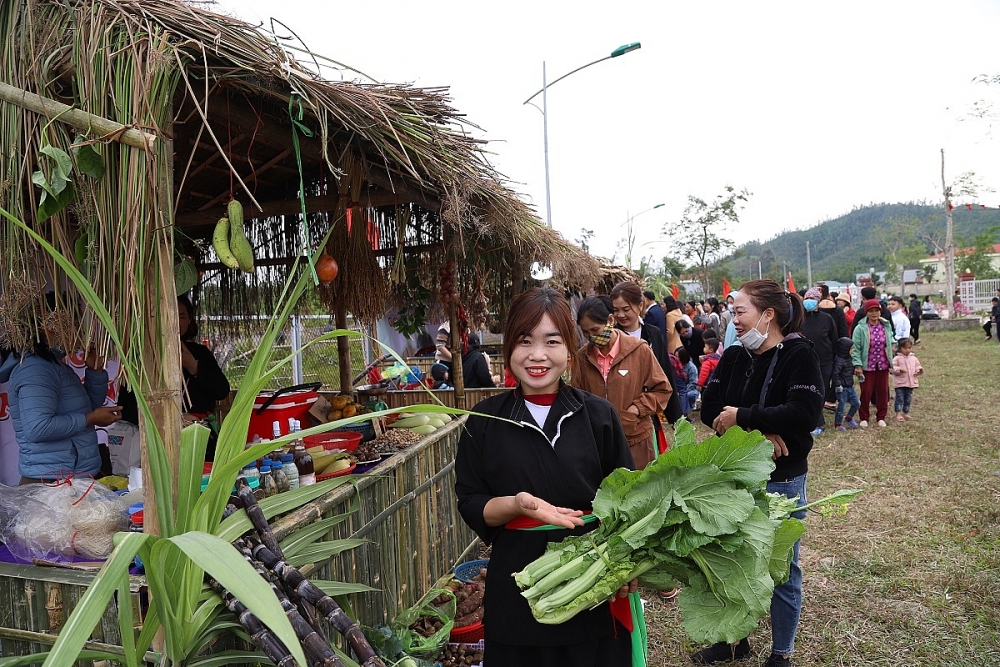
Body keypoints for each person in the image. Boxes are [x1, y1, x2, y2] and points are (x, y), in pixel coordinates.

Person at [454, 286, 636, 667]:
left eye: (551, 341)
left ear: (570, 350)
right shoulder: (484, 421)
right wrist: (519, 504)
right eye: (524, 341)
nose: (537, 355)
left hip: (591, 580)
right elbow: (471, 502)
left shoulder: (598, 415)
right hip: (517, 585)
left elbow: (627, 501)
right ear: (508, 350)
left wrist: (627, 563)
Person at [696, 279, 824, 667]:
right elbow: (709, 408)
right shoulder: (734, 356)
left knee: (781, 564)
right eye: (732, 312)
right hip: (735, 472)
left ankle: (781, 651)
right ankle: (734, 640)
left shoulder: (798, 355)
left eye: (740, 312)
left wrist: (743, 416)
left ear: (768, 315)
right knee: (734, 559)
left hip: (782, 476)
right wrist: (759, 429)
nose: (733, 320)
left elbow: (806, 413)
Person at [3, 316, 122, 483]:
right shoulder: (36, 369)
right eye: (71, 323)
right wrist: (91, 419)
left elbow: (87, 408)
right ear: (47, 328)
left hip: (68, 477)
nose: (78, 331)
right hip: (52, 483)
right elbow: (38, 428)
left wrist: (95, 371)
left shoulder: (53, 365)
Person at [120, 295, 231, 459]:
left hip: (200, 441)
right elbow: (127, 409)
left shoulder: (200, 353)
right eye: (167, 316)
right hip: (157, 443)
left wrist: (192, 365)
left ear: (189, 320)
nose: (174, 322)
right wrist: (171, 419)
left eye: (181, 316)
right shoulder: (142, 358)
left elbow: (221, 391)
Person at [574, 295, 672, 470]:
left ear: (610, 320)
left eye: (595, 330)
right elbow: (576, 398)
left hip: (636, 440)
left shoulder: (639, 350)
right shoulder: (582, 358)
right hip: (600, 444)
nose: (592, 337)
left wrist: (636, 410)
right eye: (586, 333)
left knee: (640, 492)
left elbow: (662, 389)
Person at [610, 282, 683, 432]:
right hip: (621, 413)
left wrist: (676, 418)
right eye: (616, 310)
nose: (621, 315)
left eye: (626, 309)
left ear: (640, 305)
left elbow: (665, 373)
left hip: (648, 410)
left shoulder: (653, 334)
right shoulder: (612, 337)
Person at [851, 298, 896, 428]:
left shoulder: (885, 326)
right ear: (867, 313)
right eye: (871, 311)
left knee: (883, 391)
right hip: (867, 365)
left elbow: (892, 339)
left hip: (882, 364)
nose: (874, 314)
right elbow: (856, 348)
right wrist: (857, 365)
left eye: (877, 311)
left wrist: (893, 346)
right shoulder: (860, 328)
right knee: (866, 391)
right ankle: (864, 417)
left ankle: (881, 417)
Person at [799, 286, 838, 433]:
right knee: (808, 391)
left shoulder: (827, 319)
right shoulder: (800, 318)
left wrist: (835, 359)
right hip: (804, 360)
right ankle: (817, 421)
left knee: (822, 390)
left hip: (825, 361)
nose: (808, 301)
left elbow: (834, 340)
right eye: (806, 298)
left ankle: (818, 419)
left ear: (818, 301)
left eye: (812, 299)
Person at [831, 337, 861, 431]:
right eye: (851, 349)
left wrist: (857, 374)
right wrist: (838, 385)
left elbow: (848, 370)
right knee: (841, 406)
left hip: (850, 387)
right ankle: (838, 424)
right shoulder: (839, 361)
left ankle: (849, 418)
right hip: (842, 388)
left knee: (856, 403)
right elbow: (835, 374)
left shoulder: (849, 359)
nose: (852, 351)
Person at [891, 338, 923, 422]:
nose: (907, 350)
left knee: (908, 399)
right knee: (899, 398)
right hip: (900, 383)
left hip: (910, 383)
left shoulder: (913, 358)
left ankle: (906, 412)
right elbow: (892, 368)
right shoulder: (897, 358)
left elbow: (917, 366)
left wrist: (919, 370)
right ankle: (898, 413)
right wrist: (899, 370)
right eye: (905, 348)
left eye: (909, 348)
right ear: (900, 348)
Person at [676, 347, 700, 416]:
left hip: (689, 389)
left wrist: (683, 391)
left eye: (678, 357)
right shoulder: (675, 365)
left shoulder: (692, 368)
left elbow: (693, 383)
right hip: (677, 388)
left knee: (689, 395)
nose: (676, 358)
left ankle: (686, 412)